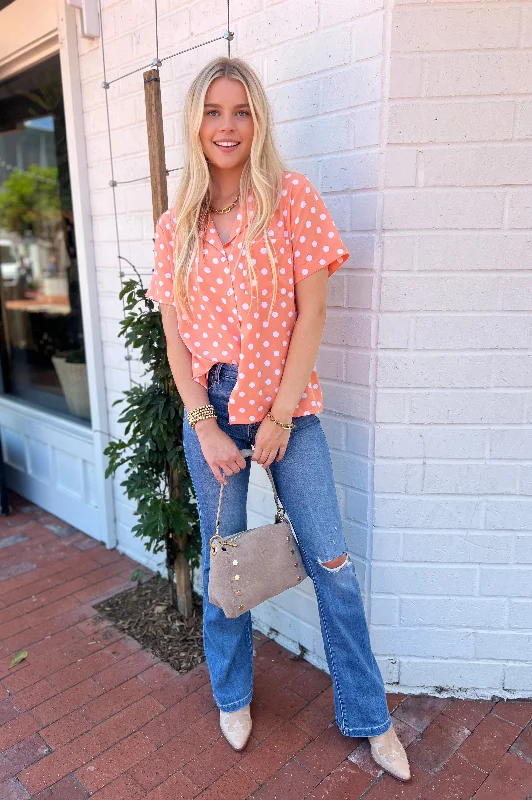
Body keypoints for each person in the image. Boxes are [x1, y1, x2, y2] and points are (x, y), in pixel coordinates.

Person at [146, 55, 411, 783]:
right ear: (195, 124)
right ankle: (232, 694)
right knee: (223, 560)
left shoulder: (292, 198)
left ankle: (369, 717)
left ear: (258, 121)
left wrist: (281, 416)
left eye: (241, 111)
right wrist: (202, 423)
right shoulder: (177, 227)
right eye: (213, 112)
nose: (227, 126)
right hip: (212, 408)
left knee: (332, 563)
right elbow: (174, 339)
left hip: (288, 404)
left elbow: (314, 311)